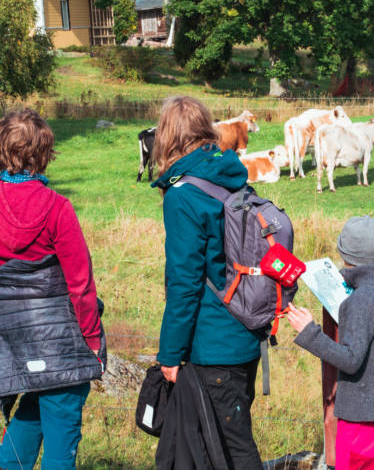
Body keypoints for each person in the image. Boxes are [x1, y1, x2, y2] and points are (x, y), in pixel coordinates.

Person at [0, 109, 104, 470]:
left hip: (11, 334)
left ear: (0, 149)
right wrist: (92, 337)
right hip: (60, 337)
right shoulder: (57, 208)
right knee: (61, 428)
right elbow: (80, 282)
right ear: (44, 154)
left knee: (31, 410)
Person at [150, 96, 263, 469]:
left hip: (213, 343)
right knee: (221, 446)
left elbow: (184, 283)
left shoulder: (184, 195)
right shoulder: (231, 174)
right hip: (245, 329)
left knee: (231, 447)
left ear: (166, 136)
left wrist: (169, 354)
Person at [287, 216, 374, 470]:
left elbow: (350, 360)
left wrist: (309, 332)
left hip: (363, 416)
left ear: (344, 253)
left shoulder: (360, 301)